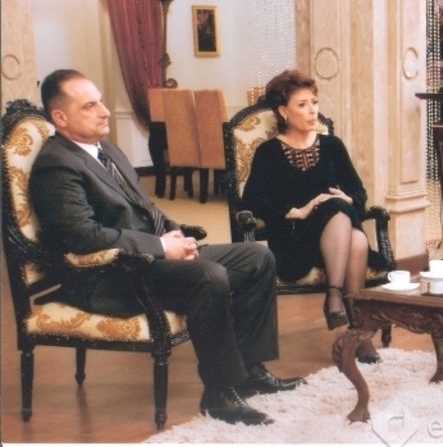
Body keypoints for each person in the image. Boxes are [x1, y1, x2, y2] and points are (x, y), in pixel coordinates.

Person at [30, 69, 304, 426]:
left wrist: (176, 237)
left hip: (146, 260)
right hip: (107, 276)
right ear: (61, 117)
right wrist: (160, 247)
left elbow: (145, 208)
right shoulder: (56, 163)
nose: (104, 111)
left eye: (101, 101)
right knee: (208, 275)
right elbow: (82, 236)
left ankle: (251, 370)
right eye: (89, 106)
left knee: (257, 257)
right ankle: (220, 395)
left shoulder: (106, 150)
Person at [241, 70, 382, 364]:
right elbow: (252, 200)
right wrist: (295, 211)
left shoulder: (333, 146)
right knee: (352, 233)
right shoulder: (269, 152)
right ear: (283, 111)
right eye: (302, 104)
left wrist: (348, 199)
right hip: (296, 238)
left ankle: (339, 303)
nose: (312, 110)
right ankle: (356, 326)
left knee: (344, 218)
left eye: (314, 102)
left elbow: (358, 192)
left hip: (337, 237)